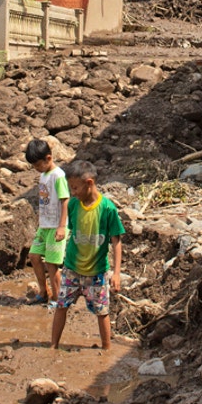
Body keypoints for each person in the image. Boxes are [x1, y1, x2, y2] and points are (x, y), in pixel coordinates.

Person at [49, 161, 125, 351]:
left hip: (97, 272)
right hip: (72, 268)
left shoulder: (107, 209)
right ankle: (53, 345)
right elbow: (71, 230)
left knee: (102, 312)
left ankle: (106, 348)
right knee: (61, 306)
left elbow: (116, 241)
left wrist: (116, 273)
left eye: (75, 187)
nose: (72, 192)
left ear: (89, 183)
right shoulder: (74, 205)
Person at [26, 138, 70, 305]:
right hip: (44, 225)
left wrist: (61, 227)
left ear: (49, 158)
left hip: (56, 226)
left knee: (52, 264)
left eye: (38, 165)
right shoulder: (44, 175)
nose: (36, 169)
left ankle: (57, 298)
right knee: (34, 256)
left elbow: (65, 200)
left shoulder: (58, 176)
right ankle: (43, 291)